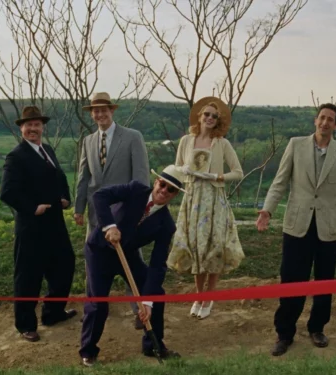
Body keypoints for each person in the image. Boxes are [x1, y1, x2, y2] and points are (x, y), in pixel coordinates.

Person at [256, 103, 336, 356]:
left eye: (331, 119)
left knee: (324, 281)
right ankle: (284, 333)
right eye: (322, 118)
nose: (325, 123)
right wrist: (267, 210)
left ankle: (317, 328)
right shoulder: (295, 145)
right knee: (291, 280)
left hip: (328, 228)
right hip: (297, 226)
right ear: (315, 121)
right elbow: (280, 181)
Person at [79, 165, 185, 367]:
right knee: (98, 302)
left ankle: (153, 346)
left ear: (175, 195)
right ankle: (88, 350)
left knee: (156, 296)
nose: (164, 191)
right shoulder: (136, 189)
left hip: (127, 255)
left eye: (171, 189)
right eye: (163, 184)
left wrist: (147, 301)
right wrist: (110, 226)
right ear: (156, 182)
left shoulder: (166, 225)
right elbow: (100, 196)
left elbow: (157, 265)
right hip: (100, 250)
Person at [0, 105, 76, 342]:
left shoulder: (48, 150)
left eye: (37, 125)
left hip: (55, 223)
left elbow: (60, 178)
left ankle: (53, 313)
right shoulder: (16, 156)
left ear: (42, 127)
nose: (33, 129)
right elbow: (7, 192)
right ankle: (25, 325)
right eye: (28, 125)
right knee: (28, 276)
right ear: (21, 128)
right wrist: (33, 208)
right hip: (31, 226)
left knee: (64, 265)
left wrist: (65, 198)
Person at [74, 92, 150, 329]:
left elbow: (141, 177)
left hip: (125, 213)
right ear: (92, 114)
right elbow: (83, 177)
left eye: (103, 109)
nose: (99, 114)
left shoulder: (132, 137)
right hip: (97, 214)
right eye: (95, 111)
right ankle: (92, 309)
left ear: (112, 111)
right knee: (92, 261)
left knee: (131, 259)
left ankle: (140, 309)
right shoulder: (87, 141)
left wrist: (141, 209)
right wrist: (78, 208)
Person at [167, 97, 245, 320]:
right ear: (199, 117)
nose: (210, 118)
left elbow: (238, 172)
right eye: (206, 115)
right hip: (192, 199)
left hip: (214, 199)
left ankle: (209, 298)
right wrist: (185, 171)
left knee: (214, 248)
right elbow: (177, 169)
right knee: (195, 248)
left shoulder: (222, 143)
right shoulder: (186, 141)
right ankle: (198, 296)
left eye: (214, 116)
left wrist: (216, 176)